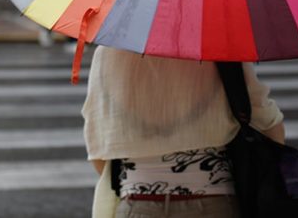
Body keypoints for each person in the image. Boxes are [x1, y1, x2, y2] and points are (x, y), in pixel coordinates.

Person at [83, 47, 284, 218]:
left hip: (137, 204)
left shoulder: (108, 53)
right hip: (215, 202)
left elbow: (99, 149)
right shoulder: (219, 46)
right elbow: (268, 124)